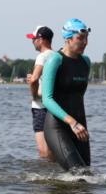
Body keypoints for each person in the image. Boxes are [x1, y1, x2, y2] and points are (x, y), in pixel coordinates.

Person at [40, 19, 93, 169]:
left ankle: (58, 191)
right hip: (58, 126)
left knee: (86, 173)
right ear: (68, 39)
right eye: (80, 38)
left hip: (79, 125)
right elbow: (47, 99)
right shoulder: (55, 60)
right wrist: (72, 122)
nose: (85, 42)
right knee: (78, 174)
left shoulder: (86, 62)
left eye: (87, 38)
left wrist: (78, 124)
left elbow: (79, 95)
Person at [25, 26, 55, 160]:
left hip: (41, 107)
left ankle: (46, 176)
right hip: (54, 107)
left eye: (34, 39)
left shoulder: (42, 57)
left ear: (41, 39)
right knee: (54, 146)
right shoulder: (57, 56)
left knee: (43, 150)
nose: (32, 42)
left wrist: (34, 95)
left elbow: (34, 80)